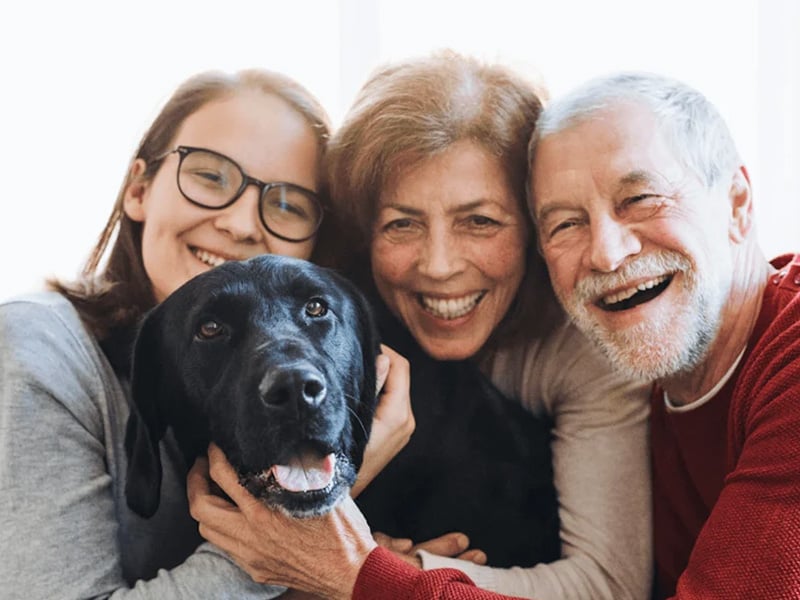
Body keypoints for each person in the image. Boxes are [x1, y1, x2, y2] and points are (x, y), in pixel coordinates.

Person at [189, 51, 653, 600]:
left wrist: (388, 570)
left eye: (479, 221)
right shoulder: (328, 311)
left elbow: (608, 586)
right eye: (401, 224)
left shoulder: (588, 335)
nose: (438, 264)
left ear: (534, 223)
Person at [0, 67, 412, 599]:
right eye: (211, 176)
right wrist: (297, 541)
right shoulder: (35, 349)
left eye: (286, 204)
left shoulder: (320, 368)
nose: (242, 224)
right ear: (139, 190)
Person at [527, 71, 800, 599]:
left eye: (641, 198)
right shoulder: (642, 385)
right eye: (565, 224)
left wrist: (363, 574)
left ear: (737, 205)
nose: (606, 253)